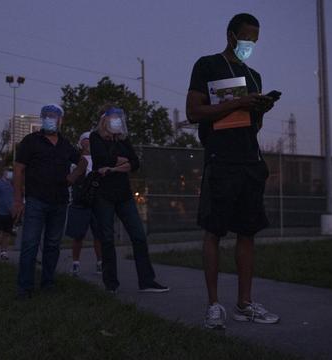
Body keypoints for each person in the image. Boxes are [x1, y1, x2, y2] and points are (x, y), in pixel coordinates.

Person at [186, 13, 279, 328]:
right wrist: (236, 104)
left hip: (249, 160)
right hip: (220, 158)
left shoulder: (254, 76)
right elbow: (194, 111)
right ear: (230, 36)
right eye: (246, 38)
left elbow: (254, 125)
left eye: (255, 40)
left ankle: (245, 303)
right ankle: (214, 305)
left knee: (247, 232)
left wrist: (259, 108)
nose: (250, 44)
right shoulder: (207, 65)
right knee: (214, 231)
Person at [90, 106, 169, 294]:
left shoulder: (124, 140)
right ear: (105, 120)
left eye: (120, 118)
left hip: (124, 195)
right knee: (107, 239)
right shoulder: (96, 137)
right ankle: (111, 284)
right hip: (104, 196)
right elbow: (100, 159)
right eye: (113, 118)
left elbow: (135, 163)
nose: (117, 121)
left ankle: (147, 281)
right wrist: (120, 162)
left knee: (139, 236)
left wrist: (114, 167)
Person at [13, 104, 87, 298]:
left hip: (59, 202)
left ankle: (48, 282)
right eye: (47, 116)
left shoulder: (65, 144)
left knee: (53, 244)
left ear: (61, 120)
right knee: (30, 243)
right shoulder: (30, 141)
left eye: (54, 116)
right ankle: (25, 286)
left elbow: (83, 162)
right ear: (42, 118)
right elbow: (19, 169)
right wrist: (18, 200)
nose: (50, 119)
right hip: (36, 200)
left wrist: (74, 175)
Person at [66, 131, 103, 276]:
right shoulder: (75, 160)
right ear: (81, 143)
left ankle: (100, 262)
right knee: (78, 236)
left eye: (90, 140)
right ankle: (75, 263)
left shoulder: (100, 159)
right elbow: (71, 178)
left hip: (96, 201)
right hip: (80, 201)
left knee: (98, 235)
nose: (88, 142)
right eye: (85, 140)